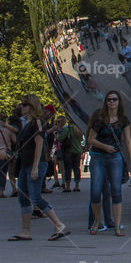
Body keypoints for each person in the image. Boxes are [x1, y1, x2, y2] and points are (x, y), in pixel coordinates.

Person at [8, 94, 70, 241]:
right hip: (25, 164)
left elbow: (39, 144)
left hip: (35, 164)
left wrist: (35, 166)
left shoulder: (37, 122)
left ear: (31, 106)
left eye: (24, 105)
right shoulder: (28, 123)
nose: (21, 107)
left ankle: (59, 224)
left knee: (35, 196)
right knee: (24, 197)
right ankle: (25, 231)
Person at [86, 91, 131, 235]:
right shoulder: (100, 119)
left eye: (114, 99)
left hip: (115, 158)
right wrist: (104, 147)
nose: (112, 102)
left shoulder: (123, 120)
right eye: (109, 100)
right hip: (98, 157)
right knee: (95, 192)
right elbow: (91, 139)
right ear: (106, 102)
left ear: (119, 102)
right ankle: (96, 220)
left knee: (116, 191)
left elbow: (127, 141)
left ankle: (118, 225)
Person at [57, 118, 83, 192]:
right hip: (78, 151)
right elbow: (81, 139)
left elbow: (61, 138)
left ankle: (68, 186)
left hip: (69, 150)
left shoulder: (68, 129)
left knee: (68, 168)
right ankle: (77, 185)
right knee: (76, 168)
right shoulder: (79, 129)